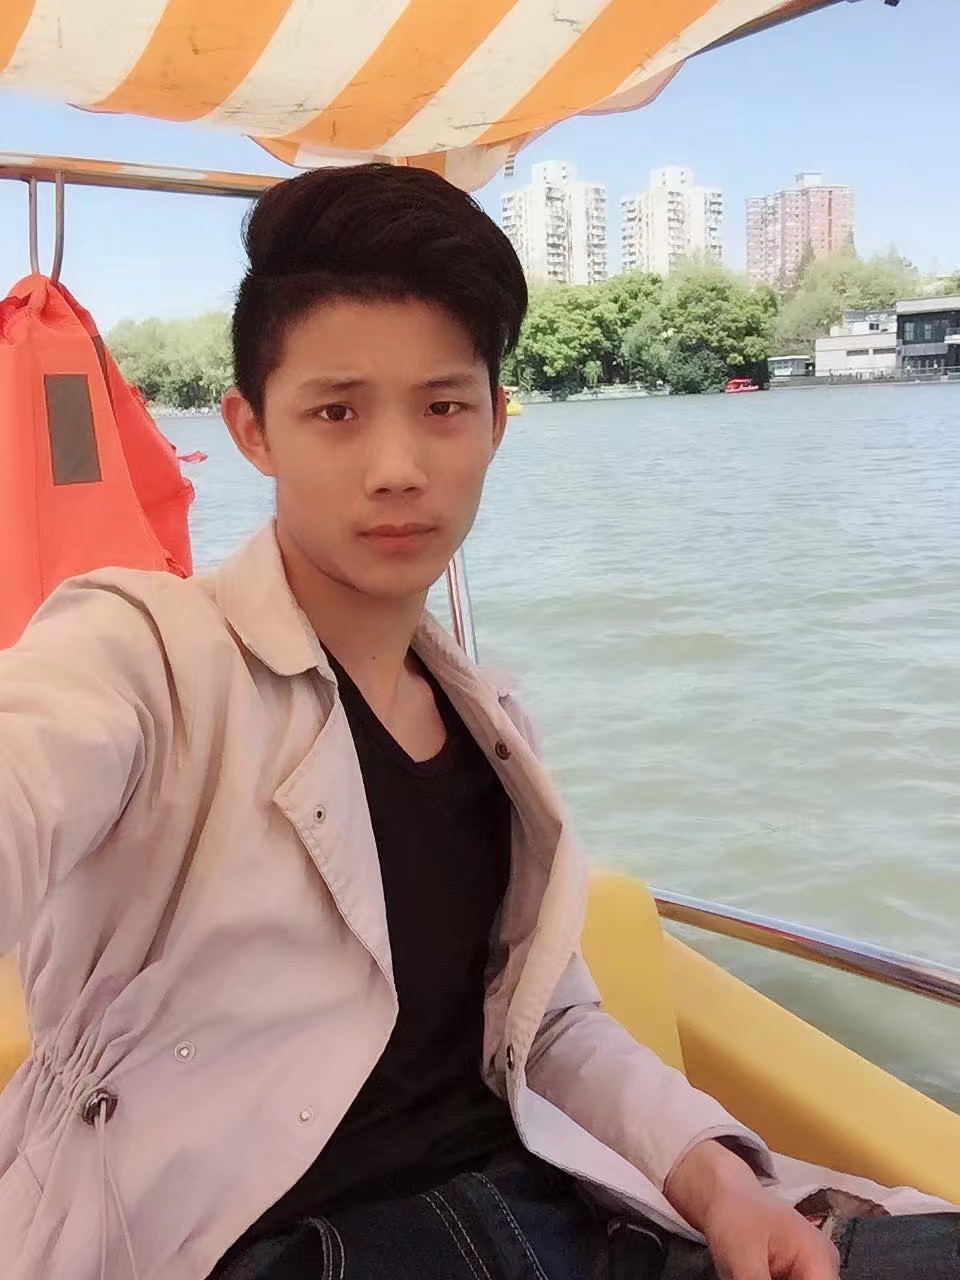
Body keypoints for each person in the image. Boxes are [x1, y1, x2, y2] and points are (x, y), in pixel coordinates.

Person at [0, 165, 955, 1280]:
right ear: (252, 430)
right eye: (336, 411)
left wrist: (725, 1187)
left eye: (443, 407)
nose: (398, 469)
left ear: (496, 422)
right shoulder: (150, 655)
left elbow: (549, 1027)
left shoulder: (490, 726)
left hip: (552, 1216)